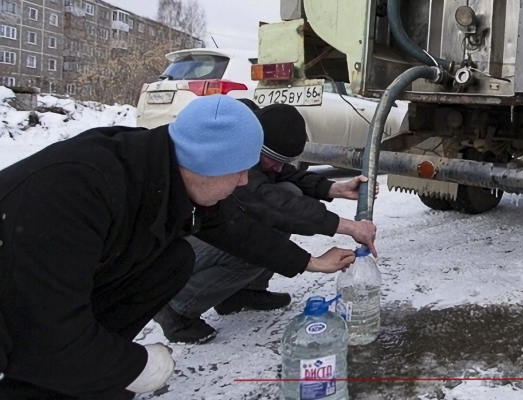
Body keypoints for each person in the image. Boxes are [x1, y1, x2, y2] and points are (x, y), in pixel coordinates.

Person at [0, 95, 355, 400]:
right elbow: (46, 332)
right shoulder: (78, 192)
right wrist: (139, 367)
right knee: (50, 355)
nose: (245, 180)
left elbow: (235, 230)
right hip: (14, 315)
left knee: (172, 260)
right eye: (239, 171)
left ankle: (92, 371)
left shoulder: (163, 165)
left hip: (50, 300)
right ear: (209, 163)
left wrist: (310, 262)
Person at [154, 102, 379, 344]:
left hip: (210, 229)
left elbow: (284, 176)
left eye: (285, 160)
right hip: (179, 245)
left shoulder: (253, 140)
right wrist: (344, 230)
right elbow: (267, 205)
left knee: (288, 193)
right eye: (273, 158)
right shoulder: (232, 151)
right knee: (254, 246)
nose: (279, 167)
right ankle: (177, 309)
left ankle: (242, 293)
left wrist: (334, 188)